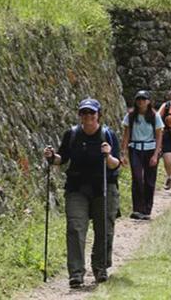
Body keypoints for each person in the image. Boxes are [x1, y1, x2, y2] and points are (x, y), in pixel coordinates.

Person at [43, 98, 120, 288]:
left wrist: (108, 155)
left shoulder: (108, 135)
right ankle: (76, 273)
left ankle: (100, 268)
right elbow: (62, 159)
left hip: (104, 187)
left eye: (91, 113)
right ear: (80, 116)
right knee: (75, 228)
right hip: (77, 187)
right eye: (84, 113)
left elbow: (115, 164)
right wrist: (52, 157)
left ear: (98, 115)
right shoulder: (72, 135)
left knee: (104, 229)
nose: (88, 117)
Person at [121, 90, 163, 221]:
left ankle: (147, 210)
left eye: (144, 99)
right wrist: (123, 153)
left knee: (150, 181)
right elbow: (126, 134)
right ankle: (137, 208)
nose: (141, 102)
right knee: (137, 178)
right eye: (139, 99)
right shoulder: (131, 116)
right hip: (135, 149)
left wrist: (156, 154)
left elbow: (159, 135)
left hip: (150, 149)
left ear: (149, 101)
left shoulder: (155, 116)